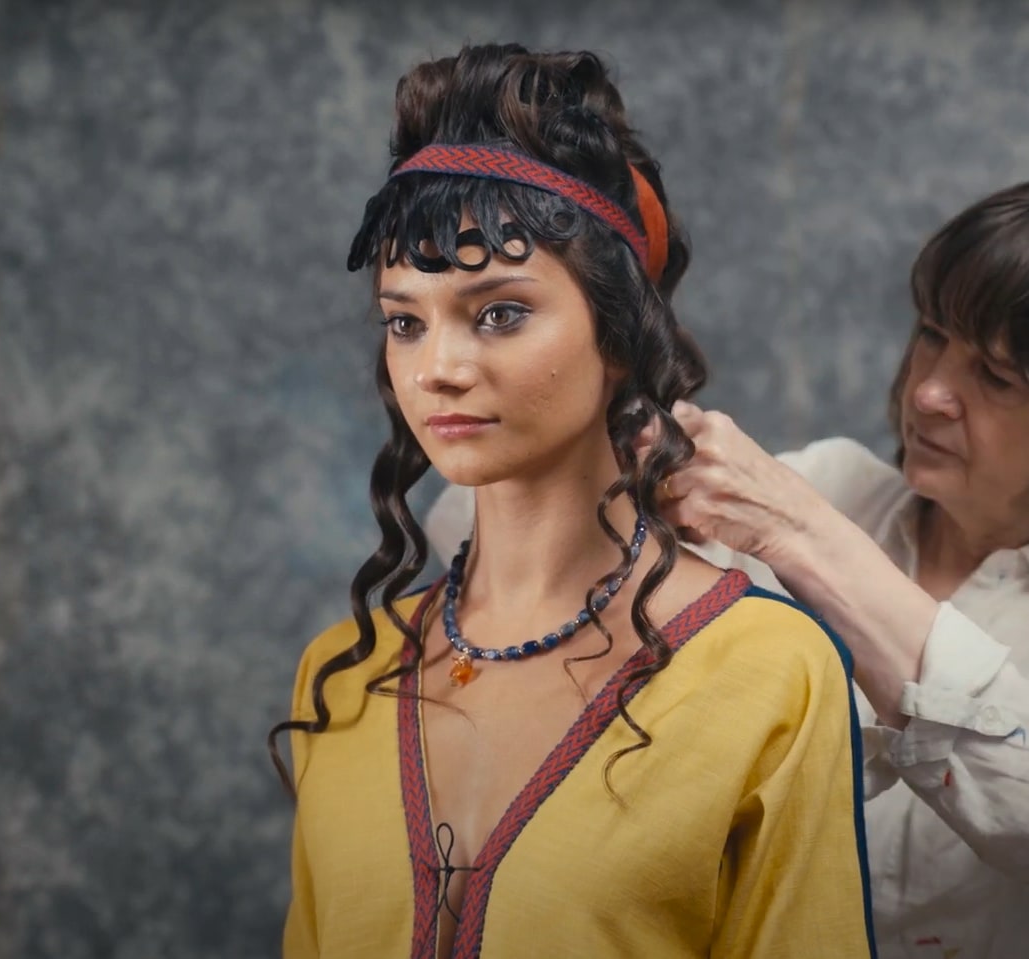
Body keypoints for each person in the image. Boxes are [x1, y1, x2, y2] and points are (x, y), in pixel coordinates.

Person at [431, 167, 1029, 958]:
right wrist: (575, 413)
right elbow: (469, 526)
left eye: (997, 377)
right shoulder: (840, 483)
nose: (930, 390)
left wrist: (795, 531)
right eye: (933, 336)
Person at [275, 44, 876, 959]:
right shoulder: (346, 677)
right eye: (406, 320)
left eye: (499, 312)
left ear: (622, 333)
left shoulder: (766, 674)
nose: (437, 368)